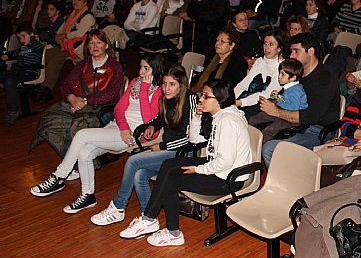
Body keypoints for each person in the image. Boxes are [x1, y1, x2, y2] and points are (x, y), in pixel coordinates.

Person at [119, 80, 252, 246]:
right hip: (218, 165)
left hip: (229, 179)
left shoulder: (228, 121)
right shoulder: (220, 116)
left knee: (171, 180)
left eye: (205, 96)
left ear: (218, 99)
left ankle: (165, 228)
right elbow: (194, 139)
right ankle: (153, 220)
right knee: (169, 164)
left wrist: (198, 169)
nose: (200, 99)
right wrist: (196, 116)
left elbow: (225, 162)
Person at [30, 54, 163, 212]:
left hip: (135, 134)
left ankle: (59, 176)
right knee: (85, 152)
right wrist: (123, 126)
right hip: (120, 127)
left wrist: (144, 90)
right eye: (140, 67)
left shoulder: (158, 92)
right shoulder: (134, 83)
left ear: (155, 70)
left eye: (146, 68)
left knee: (82, 135)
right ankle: (88, 196)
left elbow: (147, 119)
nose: (141, 72)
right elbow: (119, 108)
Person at [90, 65, 200, 227]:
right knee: (139, 175)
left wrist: (161, 146)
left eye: (172, 84)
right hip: (168, 150)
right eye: (164, 84)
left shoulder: (190, 100)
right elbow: (160, 118)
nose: (166, 88)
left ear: (181, 85)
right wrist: (152, 126)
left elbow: (191, 140)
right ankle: (149, 217)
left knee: (133, 161)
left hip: (182, 153)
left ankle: (118, 206)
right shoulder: (167, 97)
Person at [29, 29, 124, 158]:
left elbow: (111, 94)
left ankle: (79, 161)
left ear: (106, 45)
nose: (95, 46)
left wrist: (84, 102)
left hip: (103, 108)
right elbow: (66, 86)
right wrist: (72, 98)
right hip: (78, 103)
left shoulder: (115, 66)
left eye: (99, 42)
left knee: (77, 125)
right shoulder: (83, 64)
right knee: (49, 119)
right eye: (91, 43)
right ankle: (72, 160)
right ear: (87, 47)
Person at [260, 33, 340, 167]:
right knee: (256, 125)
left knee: (270, 149)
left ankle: (284, 185)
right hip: (297, 124)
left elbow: (311, 116)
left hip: (317, 130)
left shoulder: (325, 78)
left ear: (311, 51)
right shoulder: (299, 73)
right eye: (291, 51)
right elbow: (284, 97)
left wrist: (276, 112)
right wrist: (273, 100)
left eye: (296, 51)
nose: (291, 55)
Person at [36, 0, 97, 104]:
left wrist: (64, 36)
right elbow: (62, 29)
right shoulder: (72, 14)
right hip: (67, 44)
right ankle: (40, 83)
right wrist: (59, 36)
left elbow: (79, 33)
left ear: (85, 3)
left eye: (79, 0)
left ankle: (47, 89)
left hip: (79, 48)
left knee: (55, 60)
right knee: (47, 54)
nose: (75, 2)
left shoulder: (87, 16)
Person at [249, 58, 307, 141]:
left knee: (269, 130)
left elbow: (293, 108)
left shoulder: (296, 91)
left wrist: (278, 101)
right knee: (256, 118)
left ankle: (260, 147)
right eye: (279, 73)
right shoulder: (288, 87)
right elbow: (284, 100)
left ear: (293, 78)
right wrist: (276, 97)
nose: (279, 77)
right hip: (283, 112)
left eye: (282, 74)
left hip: (292, 120)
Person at [0, 24, 45, 124]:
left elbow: (37, 46)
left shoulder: (37, 46)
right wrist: (6, 55)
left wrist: (33, 37)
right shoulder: (23, 49)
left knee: (9, 81)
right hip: (18, 71)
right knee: (5, 76)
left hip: (29, 72)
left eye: (24, 36)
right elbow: (14, 53)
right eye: (19, 38)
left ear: (32, 35)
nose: (21, 40)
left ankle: (13, 111)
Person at [234, 29, 284, 117]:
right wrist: (232, 98)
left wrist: (240, 102)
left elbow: (267, 94)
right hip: (247, 98)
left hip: (264, 103)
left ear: (279, 48)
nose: (266, 47)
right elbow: (244, 84)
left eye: (271, 44)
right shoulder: (259, 61)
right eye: (265, 43)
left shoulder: (282, 67)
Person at [193, 27, 248, 91]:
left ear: (232, 45)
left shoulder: (238, 63)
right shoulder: (212, 57)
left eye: (222, 41)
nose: (217, 44)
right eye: (217, 40)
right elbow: (202, 75)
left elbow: (229, 86)